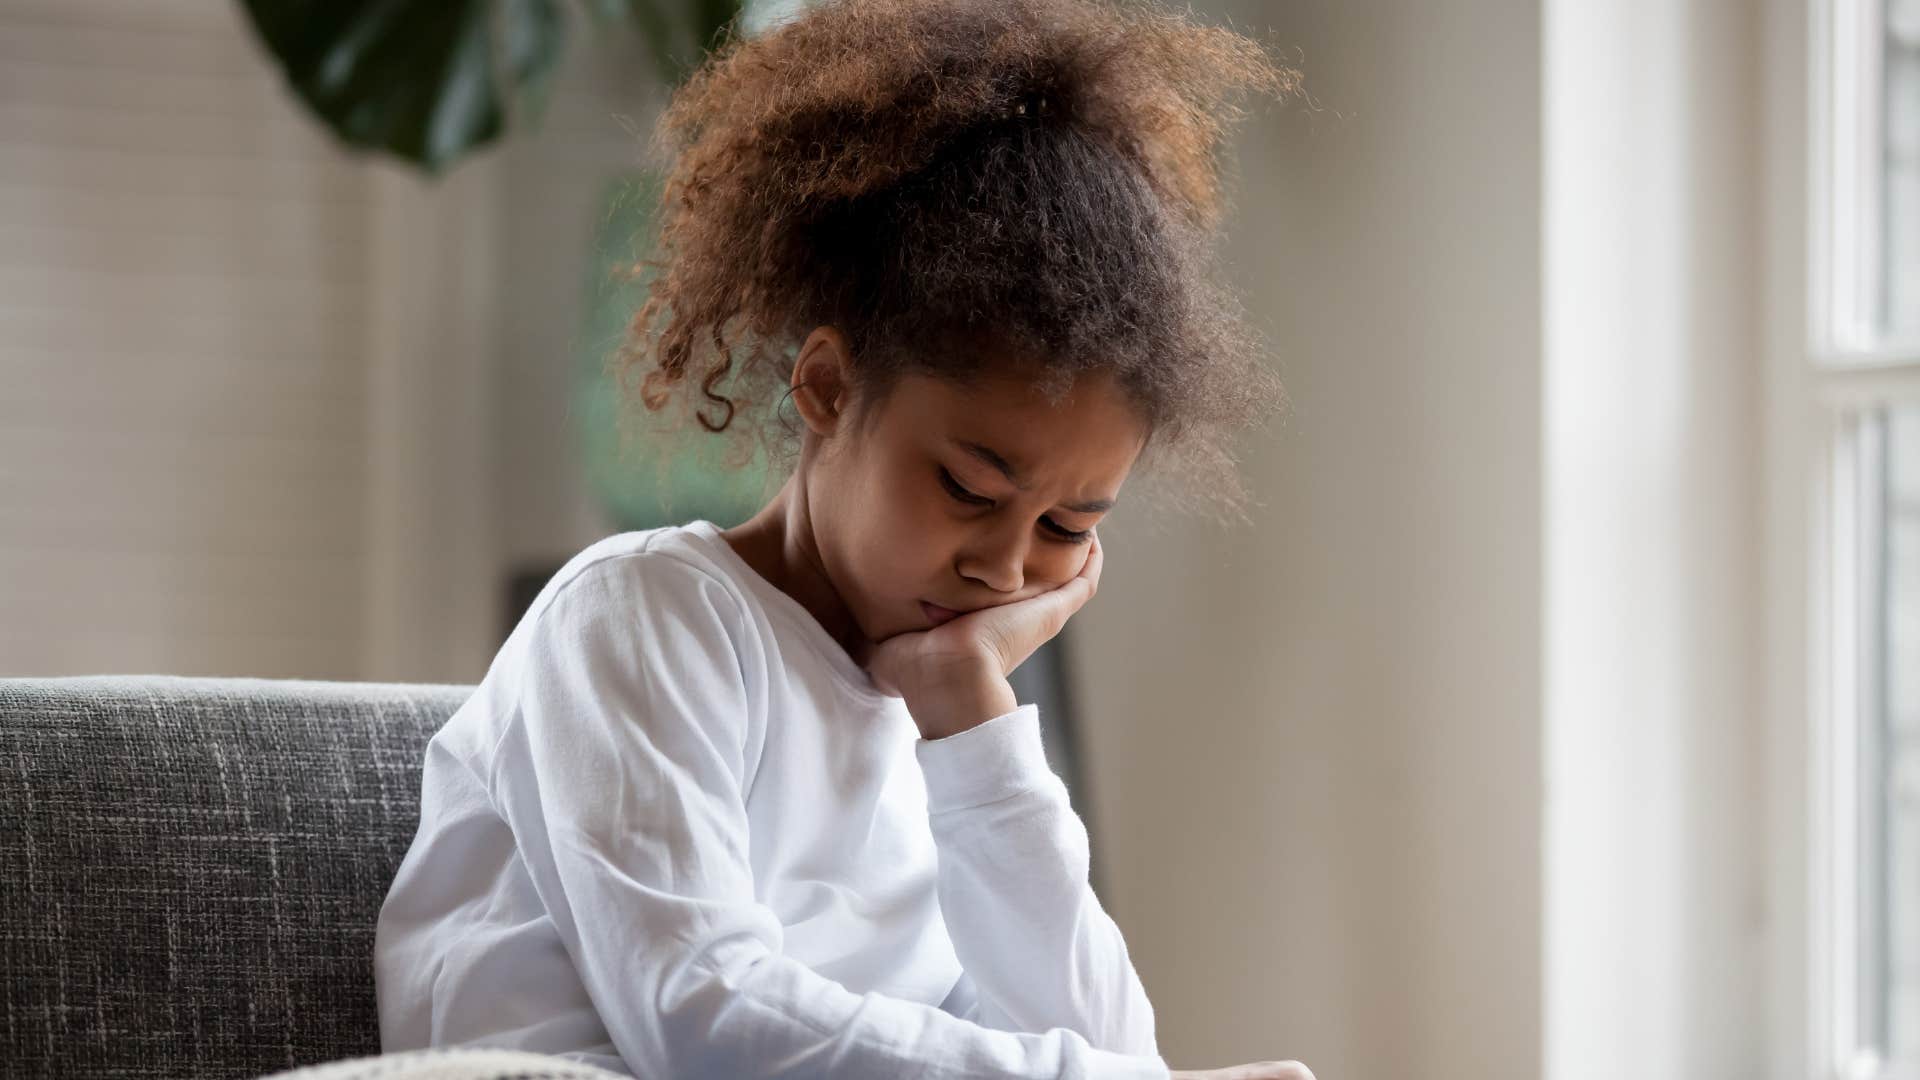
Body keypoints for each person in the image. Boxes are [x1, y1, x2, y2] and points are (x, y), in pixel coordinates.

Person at [373, 0, 1312, 1077]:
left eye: (1066, 527)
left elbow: (1110, 1048)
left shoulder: (928, 713)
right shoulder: (643, 619)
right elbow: (700, 1016)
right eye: (967, 487)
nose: (1004, 569)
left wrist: (970, 714)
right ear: (825, 385)